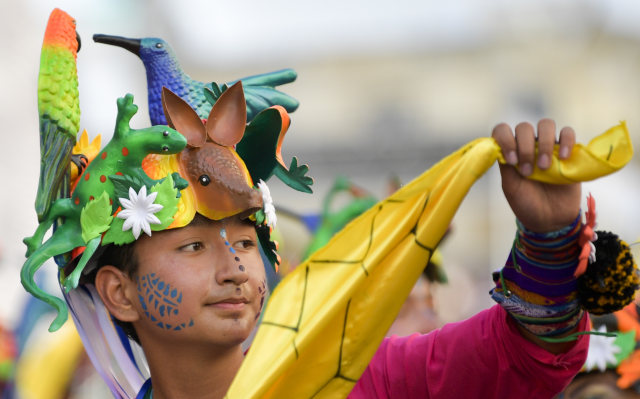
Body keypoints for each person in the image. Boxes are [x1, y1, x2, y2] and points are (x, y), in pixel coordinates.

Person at [88, 119, 587, 398]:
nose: (235, 269)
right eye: (193, 246)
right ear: (119, 291)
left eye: (244, 243)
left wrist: (548, 241)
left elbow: (524, 356)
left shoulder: (355, 382)